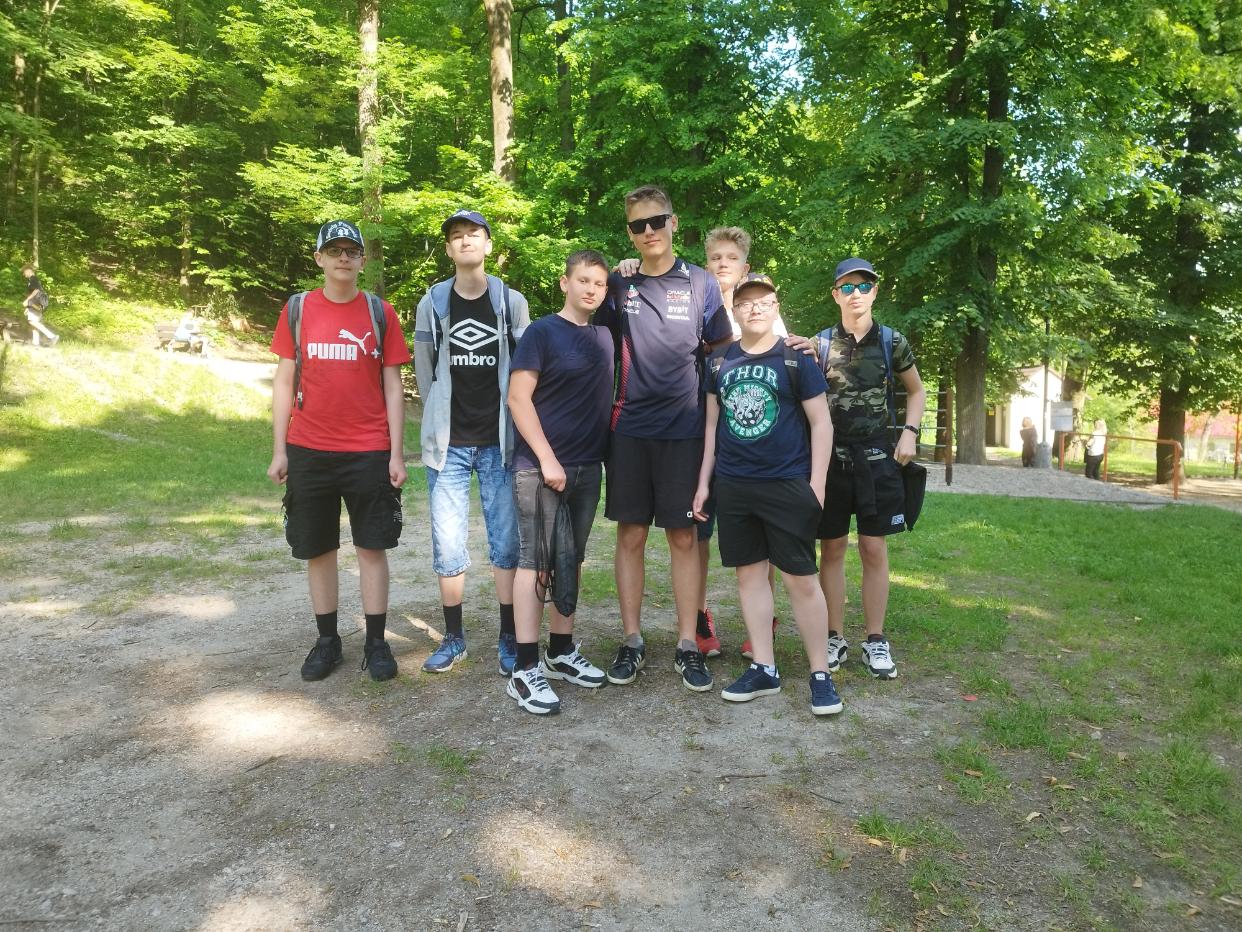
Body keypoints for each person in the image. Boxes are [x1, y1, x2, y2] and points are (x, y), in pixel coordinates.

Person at [593, 184, 732, 692]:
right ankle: (631, 640)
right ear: (629, 233)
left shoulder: (701, 283)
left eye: (657, 221)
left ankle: (687, 643)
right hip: (628, 428)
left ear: (673, 223)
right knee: (630, 535)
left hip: (684, 431)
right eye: (638, 225)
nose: (649, 231)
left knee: (684, 537)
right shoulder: (618, 283)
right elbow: (593, 336)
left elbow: (722, 346)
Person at [267, 220, 410, 682]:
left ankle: (376, 643)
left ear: (363, 260)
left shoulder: (380, 312)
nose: (343, 257)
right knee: (319, 549)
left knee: (372, 547)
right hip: (309, 448)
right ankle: (327, 641)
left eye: (352, 250)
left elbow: (393, 386)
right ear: (319, 259)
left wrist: (396, 453)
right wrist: (280, 450)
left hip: (368, 450)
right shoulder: (298, 309)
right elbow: (284, 381)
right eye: (334, 250)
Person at [694, 274, 843, 715]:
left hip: (786, 483)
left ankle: (821, 674)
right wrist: (704, 483)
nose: (755, 308)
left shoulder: (796, 359)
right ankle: (764, 667)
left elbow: (821, 423)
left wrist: (817, 485)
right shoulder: (719, 362)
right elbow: (711, 427)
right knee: (749, 577)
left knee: (801, 579)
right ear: (735, 311)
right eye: (746, 302)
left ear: (776, 308)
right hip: (735, 485)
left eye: (764, 301)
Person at [413, 210, 530, 675]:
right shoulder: (432, 302)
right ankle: (454, 637)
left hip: (500, 443)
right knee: (447, 544)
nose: (465, 241)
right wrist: (437, 416)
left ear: (488, 245)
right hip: (449, 447)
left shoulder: (510, 302)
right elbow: (425, 371)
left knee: (506, 544)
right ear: (448, 248)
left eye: (473, 235)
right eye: (457, 236)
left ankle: (508, 636)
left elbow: (526, 369)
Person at [504, 250, 615, 714]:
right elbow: (518, 398)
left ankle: (561, 650)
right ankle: (525, 668)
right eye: (583, 280)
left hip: (588, 466)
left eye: (600, 283)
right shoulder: (542, 332)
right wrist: (548, 459)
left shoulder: (605, 335)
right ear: (565, 283)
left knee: (572, 558)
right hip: (540, 467)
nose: (591, 289)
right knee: (536, 562)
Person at [816, 258, 926, 681]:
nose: (856, 294)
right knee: (832, 549)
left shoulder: (892, 341)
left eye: (863, 286)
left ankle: (876, 639)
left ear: (875, 291)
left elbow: (916, 391)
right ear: (836, 295)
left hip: (877, 459)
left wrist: (909, 433)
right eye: (847, 287)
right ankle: (833, 636)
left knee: (873, 548)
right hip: (831, 460)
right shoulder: (820, 344)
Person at [21, 265, 58, 347]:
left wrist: (27, 300)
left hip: (35, 304)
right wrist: (28, 308)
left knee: (32, 321)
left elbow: (36, 290)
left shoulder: (33, 279)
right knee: (34, 323)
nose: (24, 275)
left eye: (24, 272)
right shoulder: (33, 280)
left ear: (28, 271)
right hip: (35, 304)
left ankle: (52, 336)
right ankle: (35, 343)